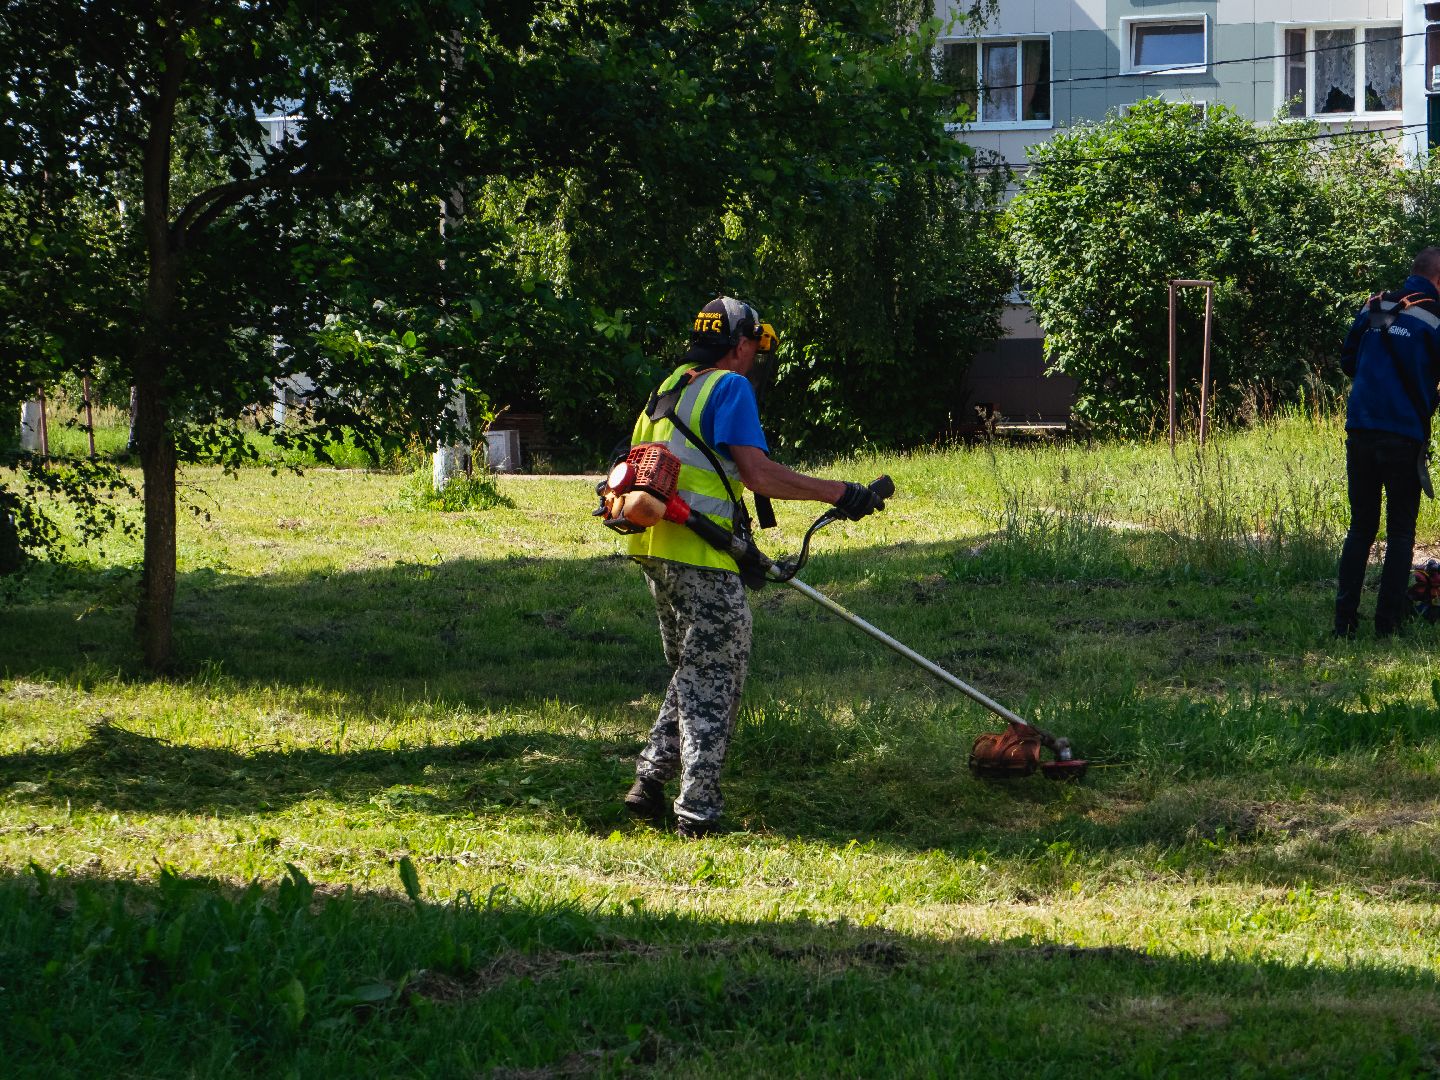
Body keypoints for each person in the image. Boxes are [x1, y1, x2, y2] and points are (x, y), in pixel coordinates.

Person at [621, 296, 887, 837]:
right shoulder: (730, 387)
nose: (753, 363)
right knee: (714, 678)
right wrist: (842, 492)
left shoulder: (670, 385)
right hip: (700, 556)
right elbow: (759, 475)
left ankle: (650, 780)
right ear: (741, 344)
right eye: (753, 350)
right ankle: (696, 813)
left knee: (694, 666)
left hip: (654, 549)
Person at [1335, 246, 1440, 638]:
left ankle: (1343, 622)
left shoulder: (1373, 306)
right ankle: (1387, 625)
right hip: (1403, 434)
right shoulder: (1434, 317)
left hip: (1360, 429)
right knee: (1399, 532)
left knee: (1360, 527)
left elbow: (1348, 362)